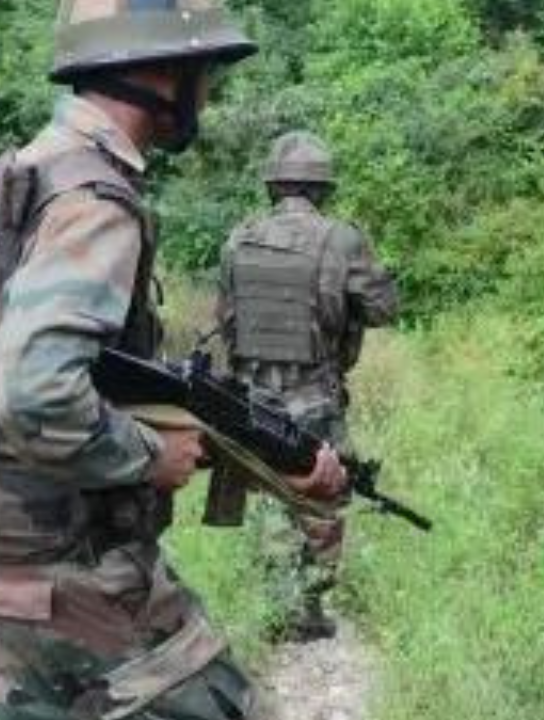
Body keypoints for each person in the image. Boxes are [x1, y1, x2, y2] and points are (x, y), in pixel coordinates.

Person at [0, 3, 345, 718]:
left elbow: (61, 371)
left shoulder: (31, 170)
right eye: (204, 71)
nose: (208, 92)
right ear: (161, 73)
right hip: (71, 572)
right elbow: (30, 391)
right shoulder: (94, 200)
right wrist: (150, 456)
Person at [215, 131, 399, 641]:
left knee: (268, 486)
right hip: (313, 389)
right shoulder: (341, 239)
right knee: (324, 488)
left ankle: (277, 600)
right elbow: (383, 309)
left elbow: (226, 318)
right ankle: (308, 606)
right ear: (322, 189)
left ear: (272, 186)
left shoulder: (239, 237)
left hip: (252, 391)